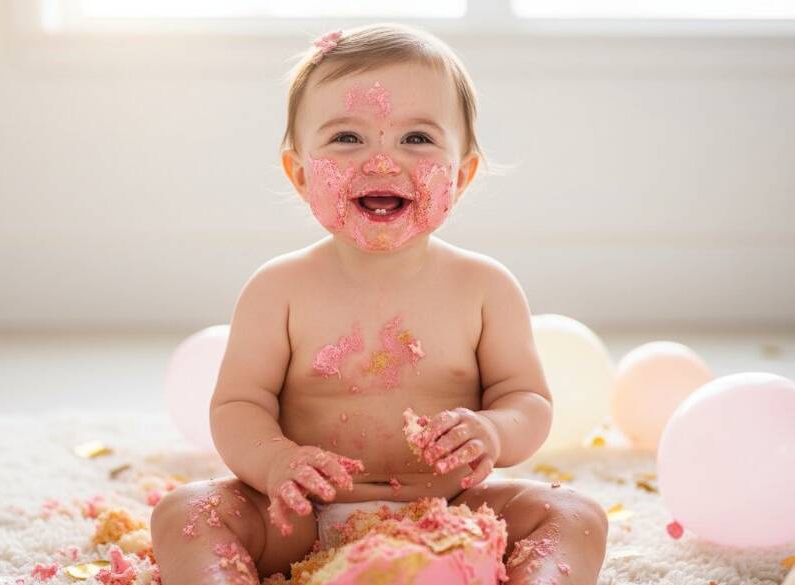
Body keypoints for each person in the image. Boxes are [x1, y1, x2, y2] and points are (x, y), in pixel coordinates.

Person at [151, 22, 608, 584]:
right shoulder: (279, 289)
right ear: (299, 174)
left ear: (461, 176)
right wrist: (277, 463)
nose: (383, 162)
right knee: (186, 511)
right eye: (348, 138)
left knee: (574, 514)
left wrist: (492, 430)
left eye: (416, 139)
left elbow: (527, 400)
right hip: (301, 519)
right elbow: (237, 407)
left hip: (452, 514)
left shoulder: (485, 288)